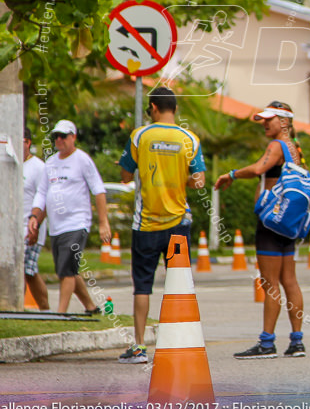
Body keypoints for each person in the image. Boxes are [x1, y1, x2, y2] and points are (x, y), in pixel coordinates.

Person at [117, 86, 206, 363]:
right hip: (179, 224)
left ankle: (140, 347)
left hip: (145, 225)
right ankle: (177, 345)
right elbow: (198, 180)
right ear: (175, 109)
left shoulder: (140, 135)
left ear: (153, 108)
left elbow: (124, 175)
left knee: (142, 286)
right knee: (178, 285)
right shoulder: (190, 138)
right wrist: (183, 178)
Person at [215, 101, 308, 360]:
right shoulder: (296, 148)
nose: (265, 124)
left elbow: (258, 169)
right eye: (264, 120)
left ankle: (267, 343)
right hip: (289, 222)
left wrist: (230, 174)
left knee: (270, 283)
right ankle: (297, 341)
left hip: (271, 221)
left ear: (284, 122)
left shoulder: (277, 146)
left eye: (270, 119)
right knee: (289, 280)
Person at [27, 120, 109, 314]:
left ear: (73, 137)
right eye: (56, 136)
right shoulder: (51, 163)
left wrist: (103, 222)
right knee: (67, 269)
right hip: (57, 226)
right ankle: (90, 306)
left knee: (66, 270)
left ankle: (60, 313)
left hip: (77, 223)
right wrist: (35, 218)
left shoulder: (82, 160)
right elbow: (42, 193)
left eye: (63, 136)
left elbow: (98, 190)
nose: (59, 139)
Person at [22, 127, 50, 310]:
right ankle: (14, 308)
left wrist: (36, 225)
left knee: (28, 270)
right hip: (13, 228)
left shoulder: (39, 167)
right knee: (18, 271)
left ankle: (45, 309)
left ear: (28, 142)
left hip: (31, 228)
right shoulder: (12, 164)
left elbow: (46, 200)